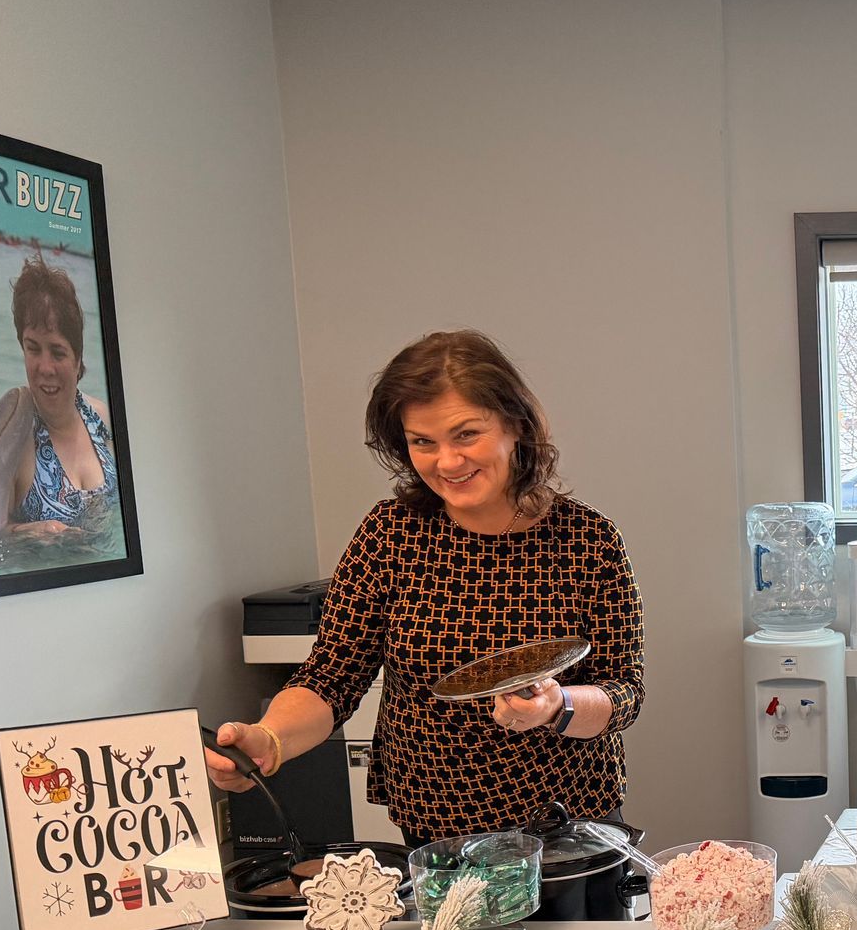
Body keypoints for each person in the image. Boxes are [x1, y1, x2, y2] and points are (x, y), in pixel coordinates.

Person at [207, 329, 644, 857]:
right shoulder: (390, 534)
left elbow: (624, 691)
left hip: (566, 826)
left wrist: (557, 705)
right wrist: (270, 740)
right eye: (423, 442)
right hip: (438, 829)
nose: (448, 462)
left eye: (467, 434)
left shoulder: (588, 539)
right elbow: (331, 676)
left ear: (515, 425)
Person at [6, 253, 117, 539]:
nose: (45, 368)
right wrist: (25, 532)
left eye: (57, 352)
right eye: (33, 348)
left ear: (78, 359)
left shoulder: (101, 419)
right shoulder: (14, 443)